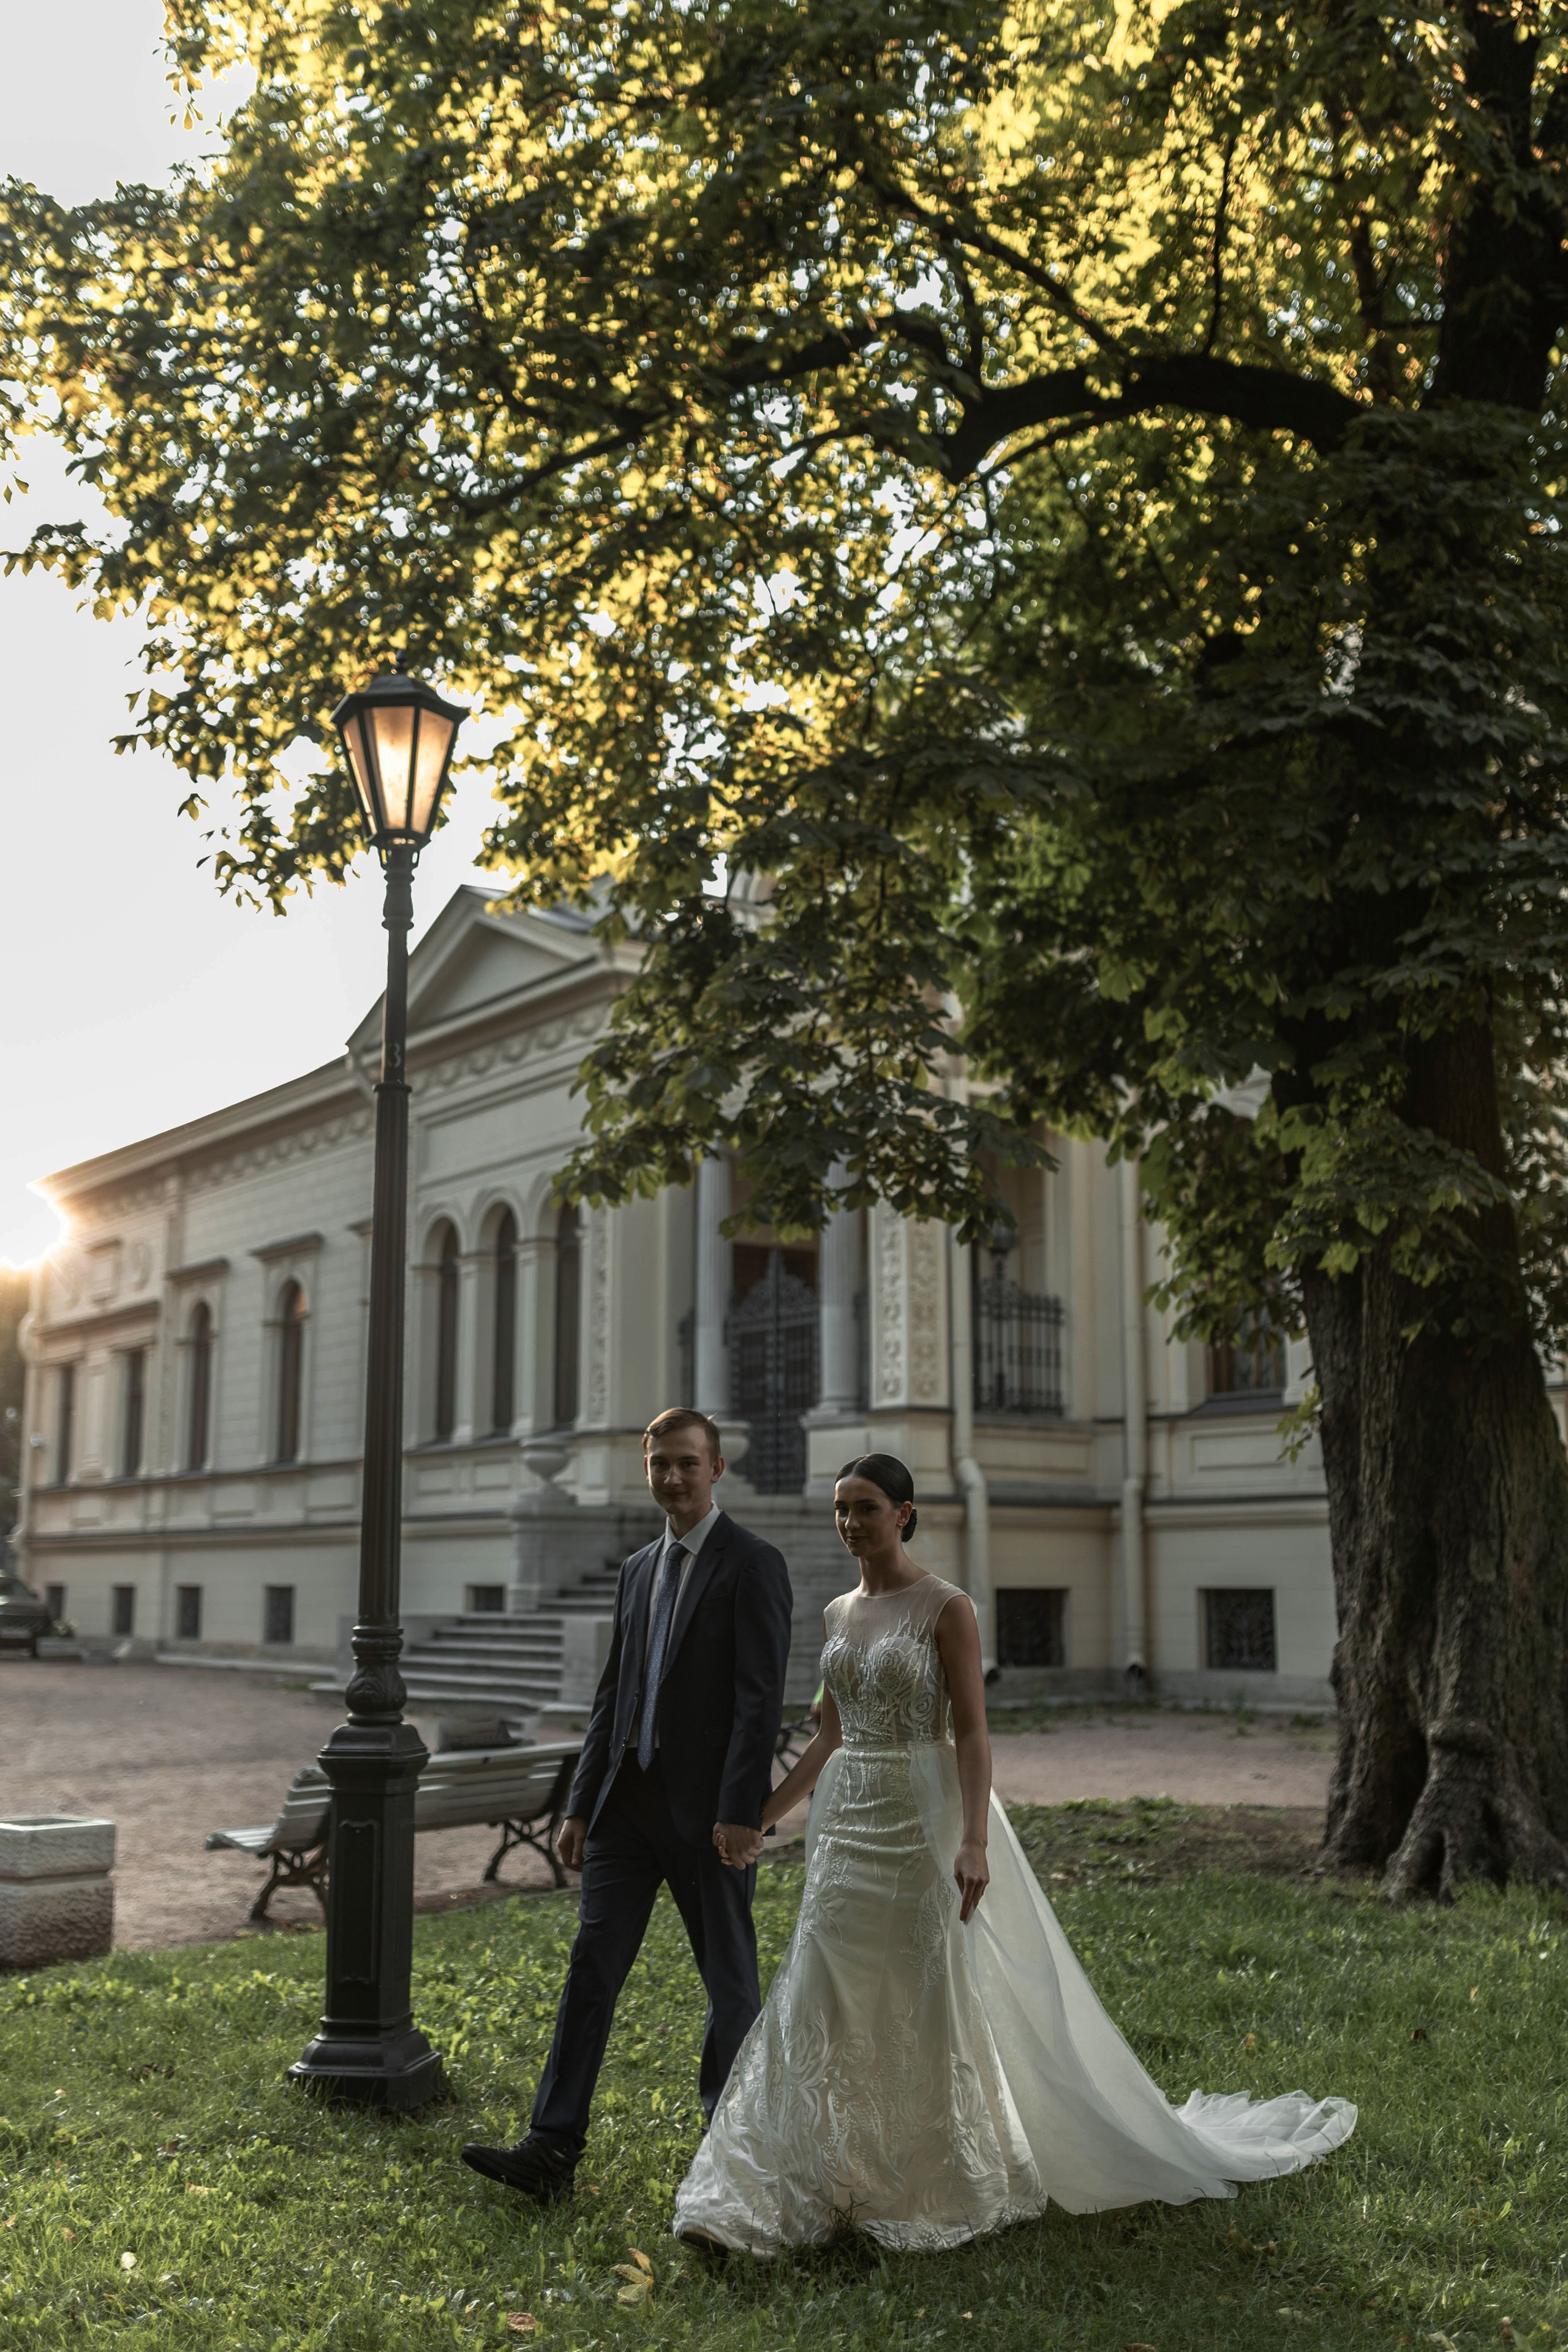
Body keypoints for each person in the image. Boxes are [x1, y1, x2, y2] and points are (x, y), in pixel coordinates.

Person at [674, 1453, 1355, 2256]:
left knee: (923, 1994)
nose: (850, 1522)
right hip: (847, 1819)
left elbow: (972, 1732)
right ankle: (798, 2176)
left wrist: (973, 1839)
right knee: (823, 1988)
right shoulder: (835, 1614)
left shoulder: (947, 1607)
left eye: (865, 1507)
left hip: (923, 1815)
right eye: (840, 1509)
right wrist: (762, 1815)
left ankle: (925, 2177)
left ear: (905, 1513)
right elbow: (830, 1734)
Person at [461, 1407, 793, 2204]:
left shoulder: (754, 1564)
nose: (672, 1477)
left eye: (687, 1463)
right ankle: (550, 2147)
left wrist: (745, 1812)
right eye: (659, 1464)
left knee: (729, 1983)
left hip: (710, 1816)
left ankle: (727, 2147)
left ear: (716, 1469)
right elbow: (614, 1694)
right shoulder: (638, 1567)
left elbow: (759, 1702)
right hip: (625, 1811)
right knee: (591, 1970)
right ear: (646, 1469)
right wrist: (579, 1808)